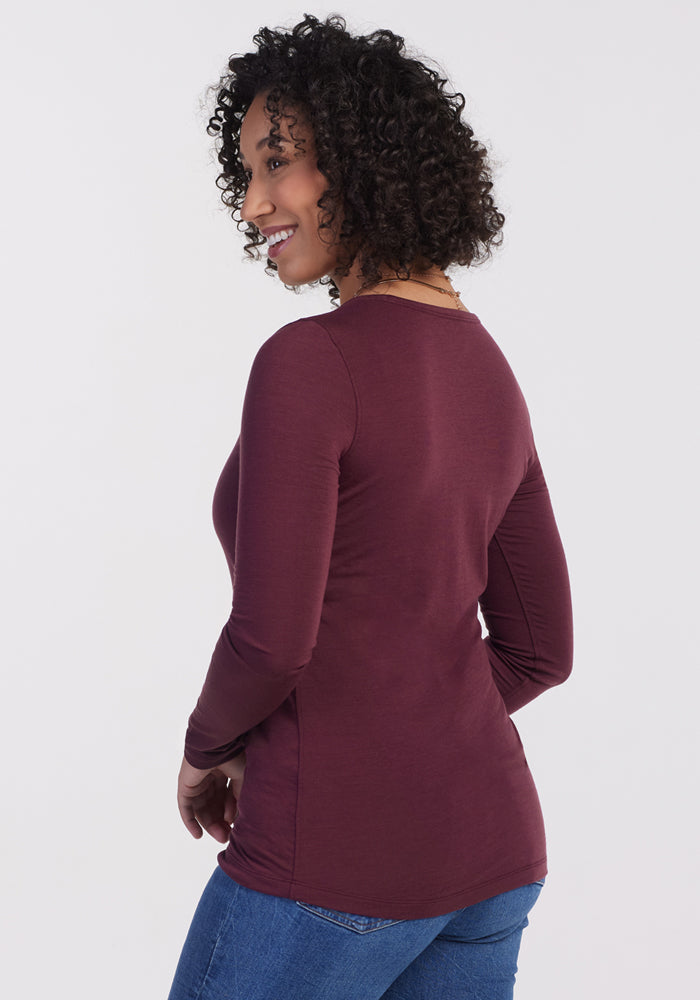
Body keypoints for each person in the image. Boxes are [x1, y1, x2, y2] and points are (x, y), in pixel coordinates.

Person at [168, 13, 574, 1000]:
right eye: (246, 173)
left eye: (278, 164)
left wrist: (207, 747)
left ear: (361, 160)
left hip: (329, 866)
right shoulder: (486, 367)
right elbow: (540, 650)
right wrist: (397, 728)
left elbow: (272, 641)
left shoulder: (309, 362)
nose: (252, 202)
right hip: (491, 860)